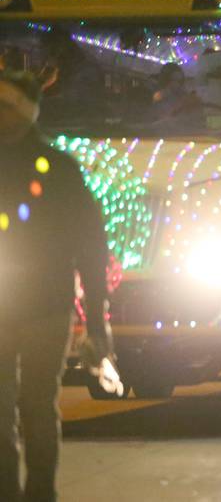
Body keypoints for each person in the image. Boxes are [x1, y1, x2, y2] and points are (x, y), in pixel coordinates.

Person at [0, 66, 112, 502]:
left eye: (8, 107)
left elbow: (90, 245)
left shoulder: (61, 170)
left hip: (47, 309)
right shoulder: (60, 167)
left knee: (36, 404)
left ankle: (40, 489)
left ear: (28, 113)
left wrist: (97, 322)